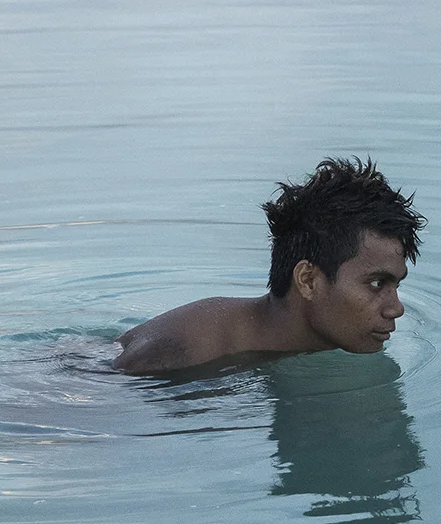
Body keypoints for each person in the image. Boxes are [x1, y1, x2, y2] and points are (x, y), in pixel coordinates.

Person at [115, 157, 424, 375]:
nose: (395, 309)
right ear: (308, 280)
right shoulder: (179, 353)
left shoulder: (315, 340)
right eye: (375, 284)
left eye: (396, 285)